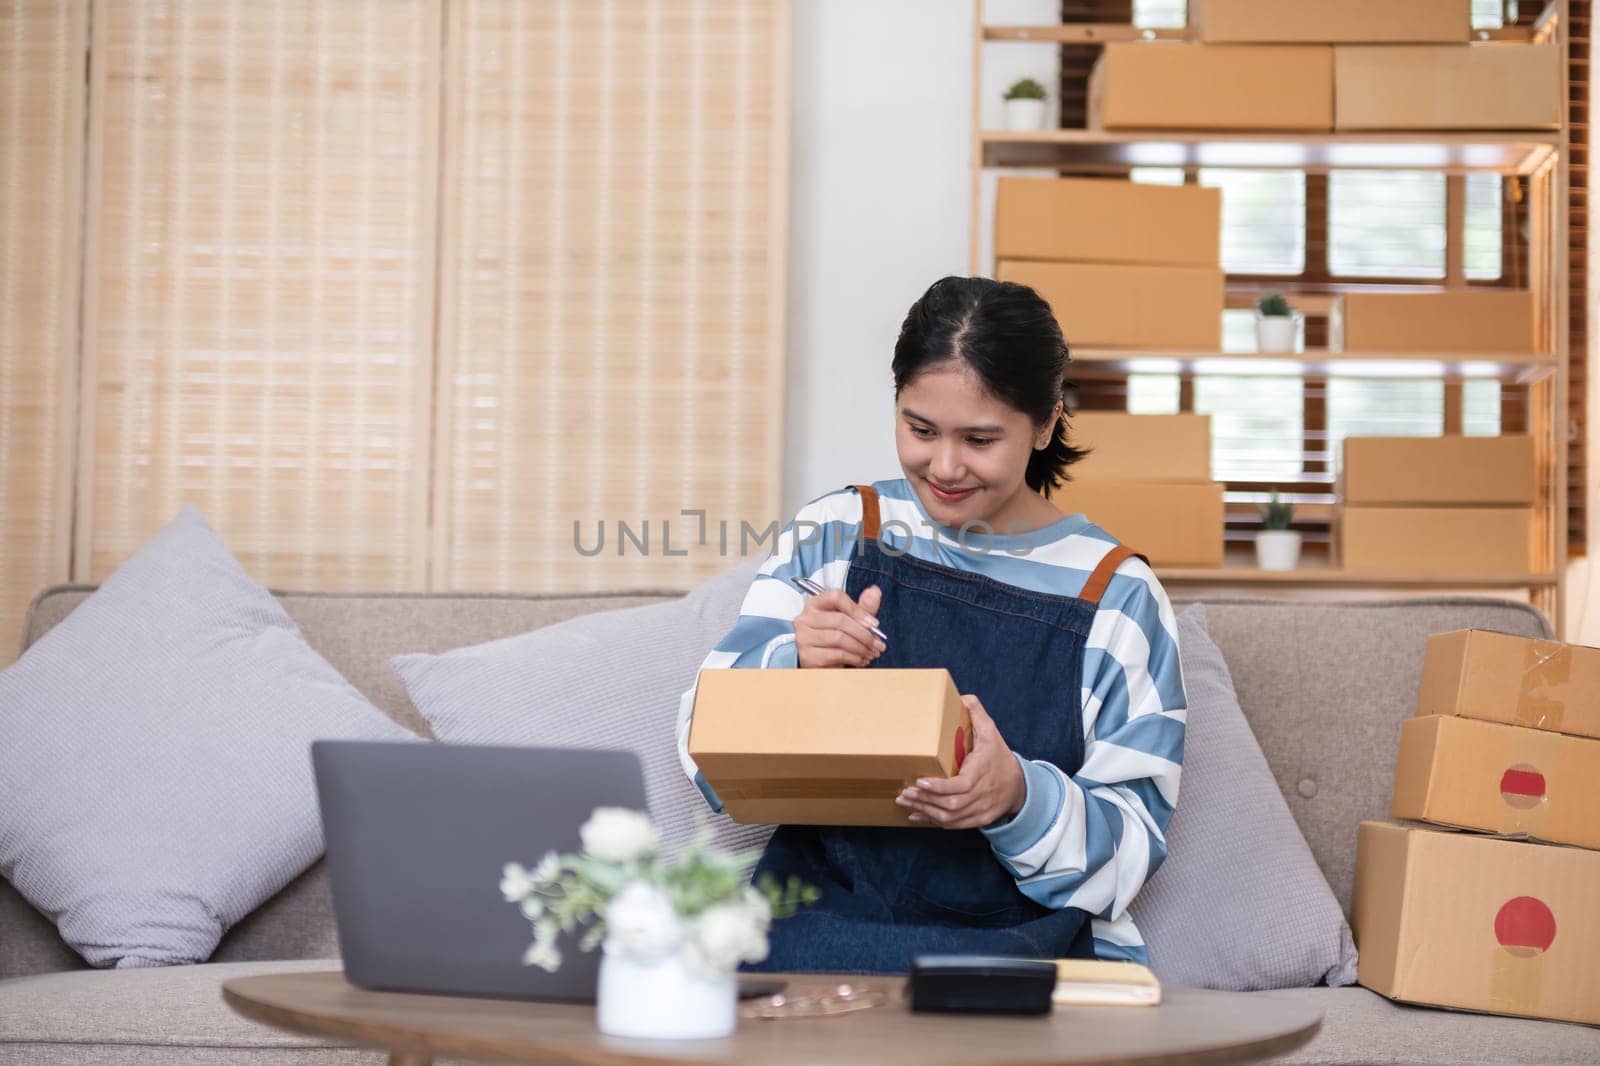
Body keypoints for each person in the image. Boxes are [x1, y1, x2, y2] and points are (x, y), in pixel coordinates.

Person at [675, 275, 1186, 973]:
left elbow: (1128, 856)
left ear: (1044, 422)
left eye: (979, 438)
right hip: (817, 932)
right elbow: (700, 747)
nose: (943, 466)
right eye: (920, 430)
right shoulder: (840, 532)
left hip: (1026, 957)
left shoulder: (1118, 597)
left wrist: (1017, 797)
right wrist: (791, 663)